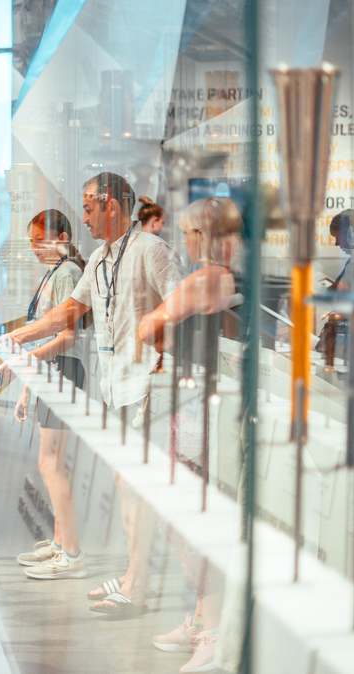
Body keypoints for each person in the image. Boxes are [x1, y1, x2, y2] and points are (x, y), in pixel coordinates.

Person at [3, 172, 183, 617]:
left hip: (145, 391)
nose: (82, 216)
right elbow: (68, 313)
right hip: (116, 388)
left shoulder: (151, 249)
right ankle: (131, 576)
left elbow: (180, 305)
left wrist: (155, 339)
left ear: (112, 206)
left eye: (88, 207)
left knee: (135, 487)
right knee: (126, 486)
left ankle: (139, 584)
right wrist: (13, 340)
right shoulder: (102, 258)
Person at [138, 196, 241, 673]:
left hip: (199, 409)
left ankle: (215, 628)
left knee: (188, 519)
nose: (182, 240)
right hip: (201, 405)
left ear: (204, 235)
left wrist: (151, 322)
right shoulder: (222, 278)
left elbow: (148, 326)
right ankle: (203, 618)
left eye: (188, 232)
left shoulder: (207, 279)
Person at [0, 210, 90, 579]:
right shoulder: (57, 274)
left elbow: (66, 336)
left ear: (60, 236)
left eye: (39, 241)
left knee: (51, 463)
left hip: (65, 372)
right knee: (51, 462)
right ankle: (61, 542)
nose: (34, 248)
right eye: (32, 242)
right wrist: (27, 386)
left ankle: (70, 551)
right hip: (53, 372)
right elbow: (45, 335)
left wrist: (20, 361)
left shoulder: (68, 273)